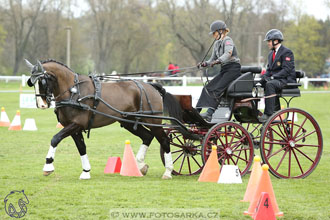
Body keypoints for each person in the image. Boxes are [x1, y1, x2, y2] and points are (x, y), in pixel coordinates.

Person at [196, 20, 241, 121]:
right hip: (225, 70)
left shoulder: (228, 40)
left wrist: (218, 61)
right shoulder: (216, 44)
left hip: (233, 69)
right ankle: (197, 111)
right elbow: (212, 59)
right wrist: (204, 64)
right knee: (207, 88)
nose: (213, 35)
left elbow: (228, 53)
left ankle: (209, 113)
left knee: (217, 89)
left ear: (221, 31)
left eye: (214, 33)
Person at [258, 29, 296, 122]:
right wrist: (263, 79)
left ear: (276, 41)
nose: (268, 43)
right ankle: (260, 108)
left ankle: (268, 113)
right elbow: (269, 70)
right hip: (276, 80)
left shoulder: (287, 52)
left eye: (269, 41)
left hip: (286, 80)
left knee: (270, 84)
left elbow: (286, 70)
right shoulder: (271, 54)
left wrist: (273, 77)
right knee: (260, 82)